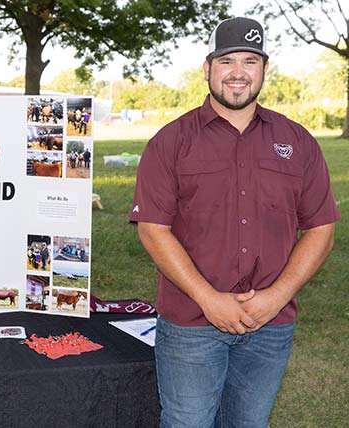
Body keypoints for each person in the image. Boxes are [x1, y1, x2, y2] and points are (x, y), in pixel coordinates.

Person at [130, 17, 339, 428]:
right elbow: (153, 229)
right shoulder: (171, 142)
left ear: (264, 69)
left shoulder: (298, 143)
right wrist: (210, 299)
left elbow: (320, 229)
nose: (239, 72)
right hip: (191, 324)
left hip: (270, 324)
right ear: (207, 69)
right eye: (227, 61)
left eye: (250, 60)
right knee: (187, 423)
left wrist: (275, 297)